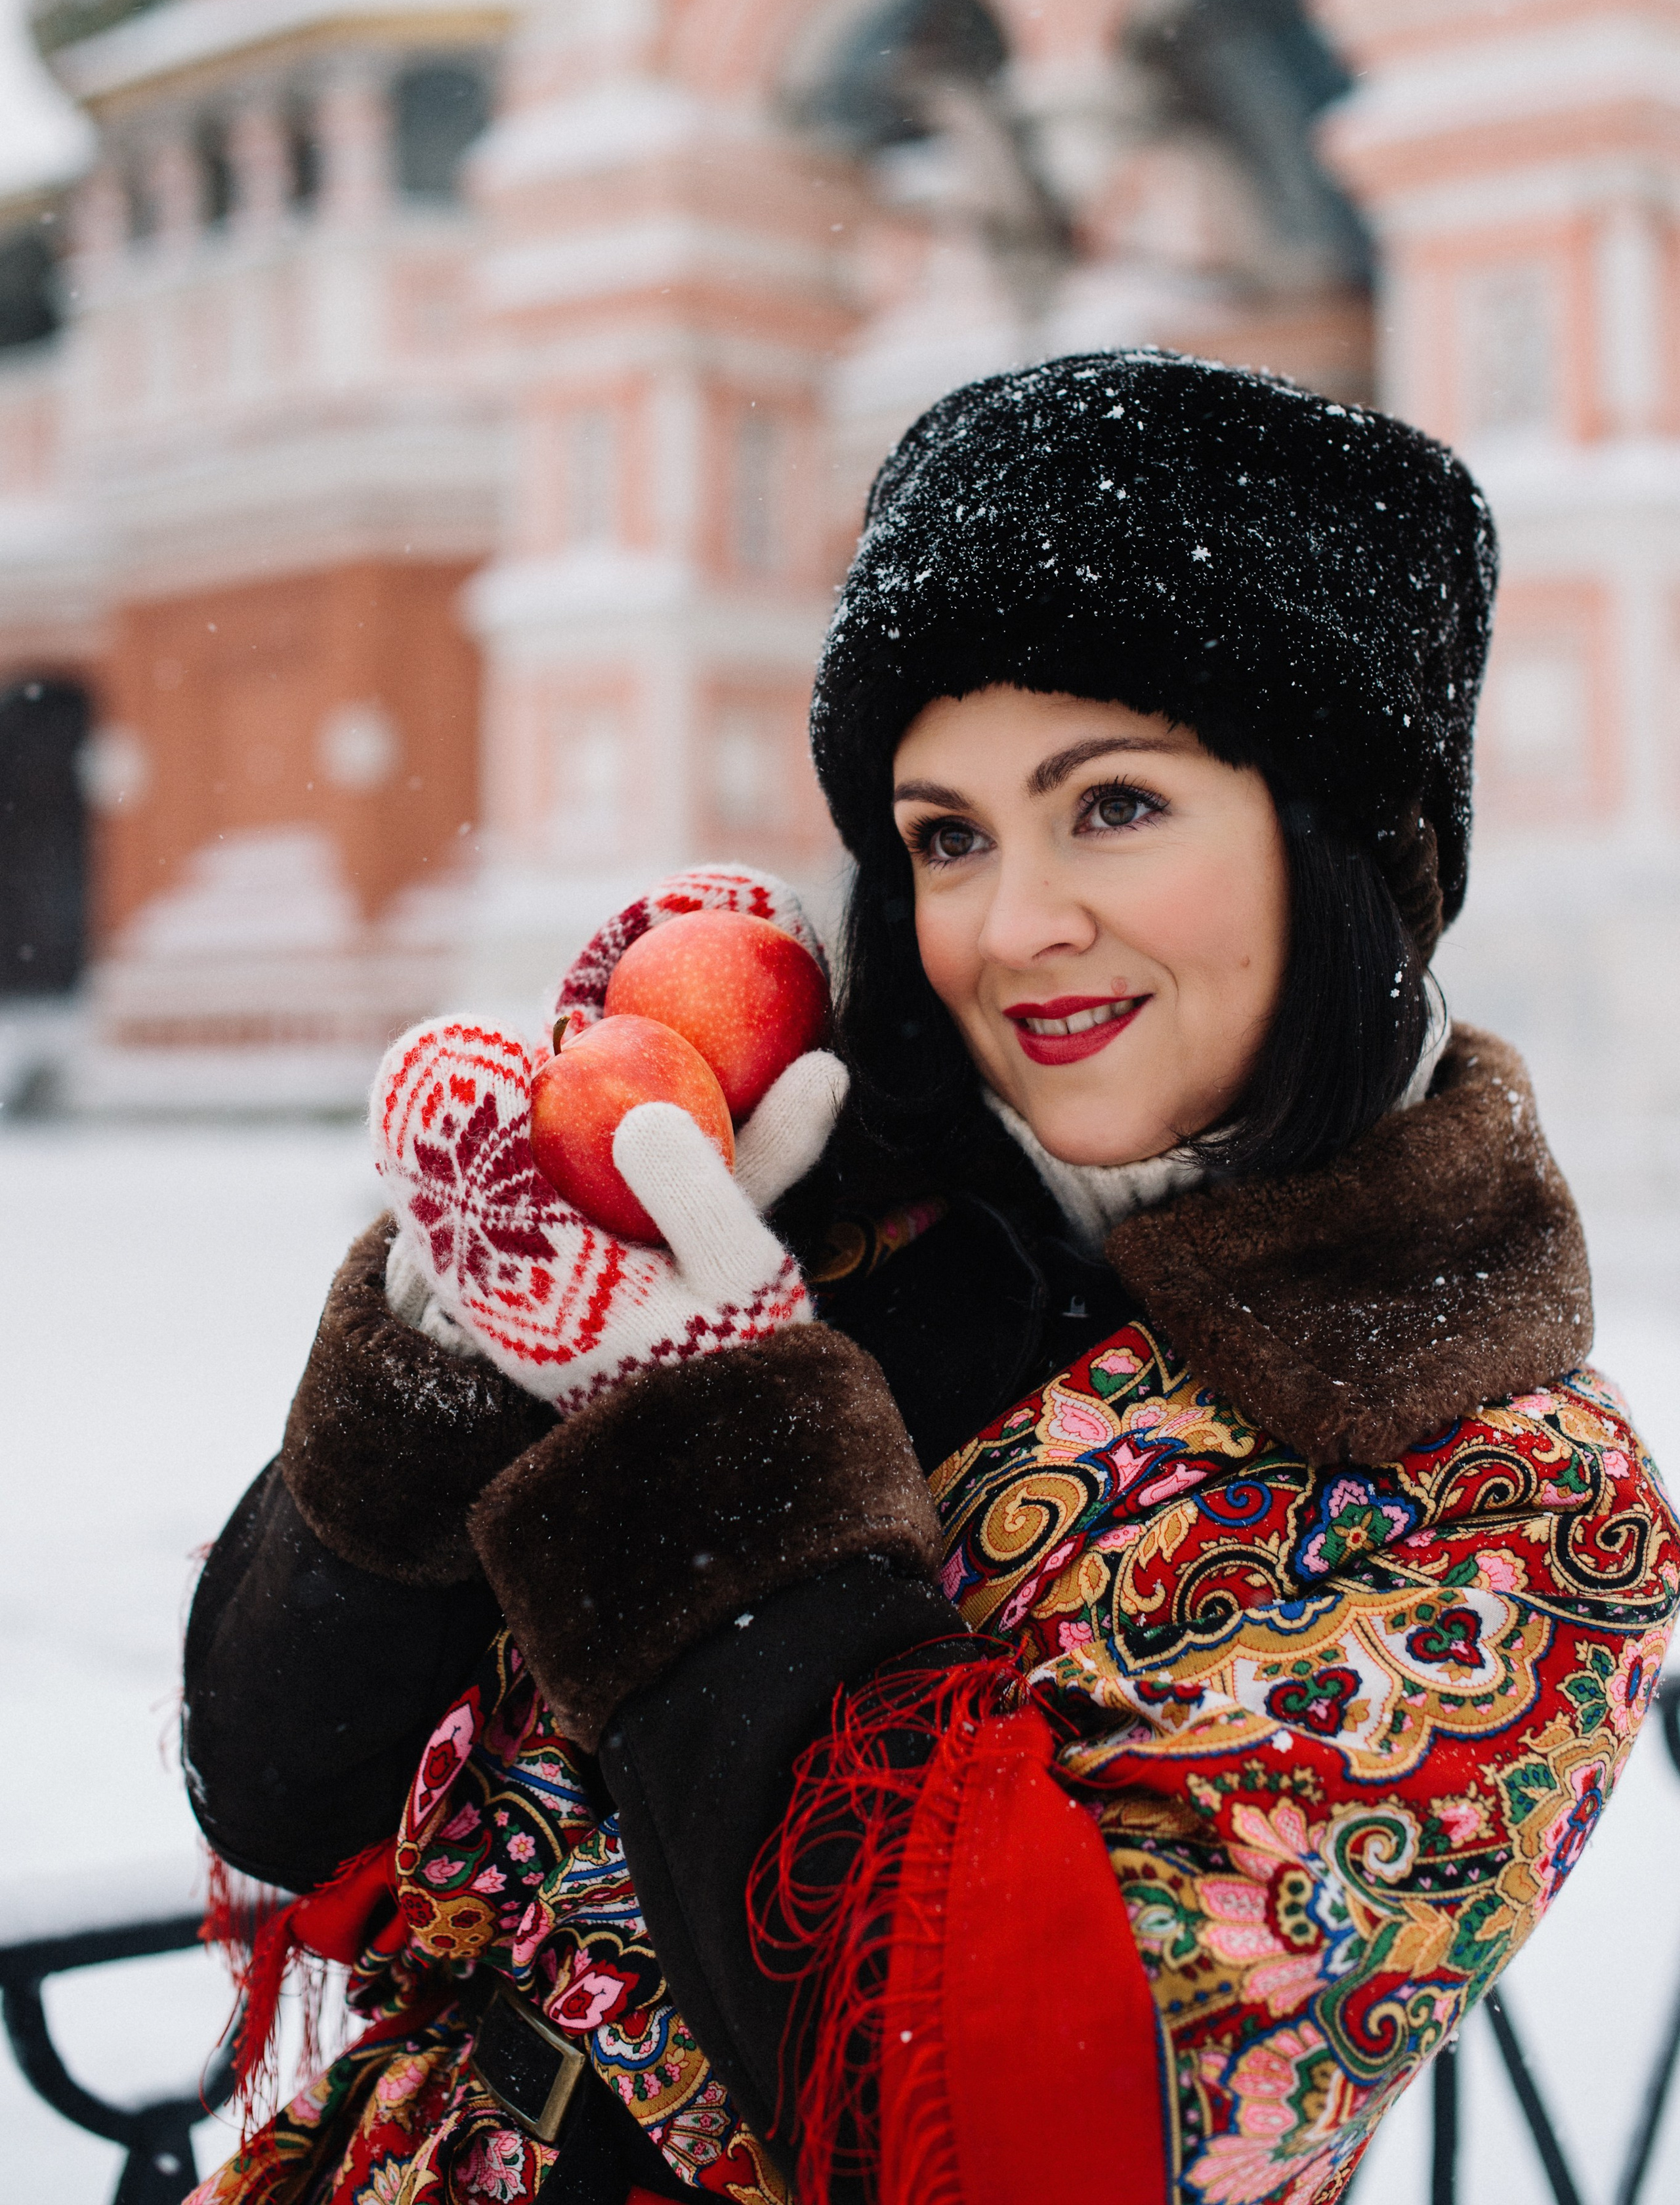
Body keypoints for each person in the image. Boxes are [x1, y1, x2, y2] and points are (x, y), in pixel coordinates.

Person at [182, 352, 1679, 2205]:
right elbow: (276, 1793)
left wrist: (704, 1453)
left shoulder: (1510, 1497)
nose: (1013, 923)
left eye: (1113, 803)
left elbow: (1004, 2136)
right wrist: (464, 1350)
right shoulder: (827, 1217)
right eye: (946, 835)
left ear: (1346, 838)